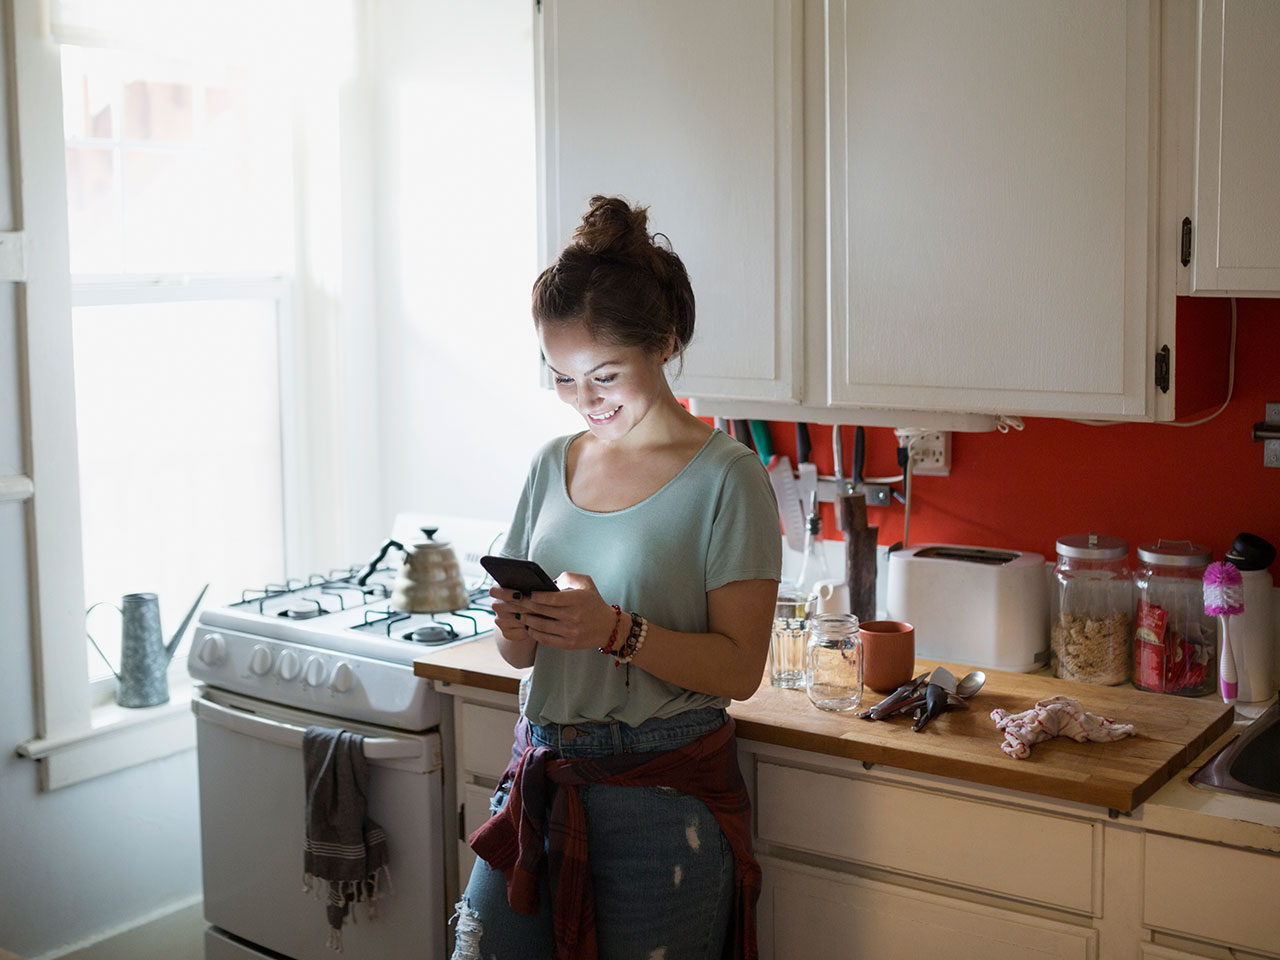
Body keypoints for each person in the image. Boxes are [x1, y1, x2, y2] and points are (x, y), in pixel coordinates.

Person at [451, 195, 782, 960]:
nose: (585, 402)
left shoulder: (727, 478)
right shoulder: (551, 463)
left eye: (604, 375)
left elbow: (740, 668)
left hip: (659, 800)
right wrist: (516, 625)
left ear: (664, 344)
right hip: (537, 775)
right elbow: (521, 661)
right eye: (563, 380)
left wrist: (617, 632)